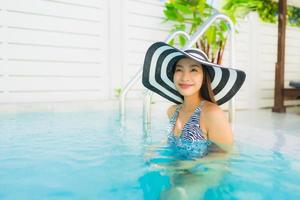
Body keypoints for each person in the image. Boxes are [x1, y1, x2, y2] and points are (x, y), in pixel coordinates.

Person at [142, 41, 246, 159]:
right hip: (174, 173)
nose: (185, 77)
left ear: (203, 77)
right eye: (179, 70)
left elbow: (224, 157)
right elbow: (172, 145)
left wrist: (184, 167)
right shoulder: (172, 111)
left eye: (194, 70)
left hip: (199, 175)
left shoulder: (212, 114)